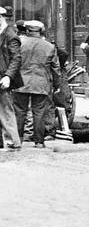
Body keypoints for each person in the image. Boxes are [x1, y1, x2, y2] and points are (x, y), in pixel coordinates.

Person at [12, 20, 59, 148]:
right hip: (41, 83)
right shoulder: (49, 46)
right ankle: (39, 141)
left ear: (27, 31)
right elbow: (55, 68)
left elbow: (13, 62)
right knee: (39, 112)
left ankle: (18, 140)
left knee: (20, 111)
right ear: (40, 31)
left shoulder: (20, 44)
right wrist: (57, 85)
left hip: (21, 82)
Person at [0, 6, 23, 151]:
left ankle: (14, 141)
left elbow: (16, 58)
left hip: (3, 78)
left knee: (6, 110)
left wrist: (8, 76)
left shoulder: (10, 35)